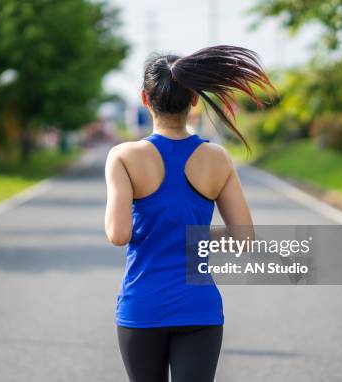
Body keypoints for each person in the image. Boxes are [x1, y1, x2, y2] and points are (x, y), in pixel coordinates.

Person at [104, 45, 274, 382]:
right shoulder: (218, 158)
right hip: (199, 309)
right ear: (194, 101)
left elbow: (118, 234)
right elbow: (244, 238)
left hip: (143, 306)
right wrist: (191, 236)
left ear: (144, 98)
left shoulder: (123, 157)